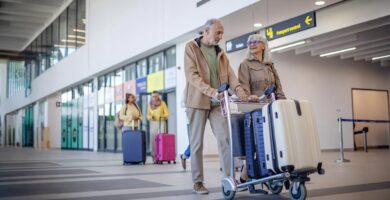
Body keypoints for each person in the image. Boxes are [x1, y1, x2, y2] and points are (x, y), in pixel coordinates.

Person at [183, 18, 247, 194]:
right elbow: (192, 76)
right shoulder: (191, 48)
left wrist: (240, 90)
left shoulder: (220, 52)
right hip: (197, 102)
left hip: (217, 103)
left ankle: (228, 179)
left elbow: (231, 75)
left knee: (225, 138)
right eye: (218, 32)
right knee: (196, 144)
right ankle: (197, 182)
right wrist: (212, 92)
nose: (220, 36)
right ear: (206, 31)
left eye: (221, 33)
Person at [238, 34, 286, 183]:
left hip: (272, 108)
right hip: (255, 110)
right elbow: (243, 87)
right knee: (259, 143)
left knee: (274, 141)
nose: (251, 44)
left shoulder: (270, 65)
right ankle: (244, 176)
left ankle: (272, 172)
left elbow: (278, 87)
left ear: (263, 45)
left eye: (255, 42)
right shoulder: (245, 64)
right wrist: (248, 96)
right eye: (249, 42)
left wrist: (284, 103)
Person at [147, 90, 170, 164]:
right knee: (153, 141)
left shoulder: (162, 103)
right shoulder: (150, 104)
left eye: (156, 96)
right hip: (153, 123)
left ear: (158, 96)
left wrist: (161, 116)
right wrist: (150, 117)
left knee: (160, 140)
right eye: (153, 96)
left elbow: (167, 114)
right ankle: (154, 158)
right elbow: (147, 115)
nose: (154, 98)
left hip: (161, 123)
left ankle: (161, 157)